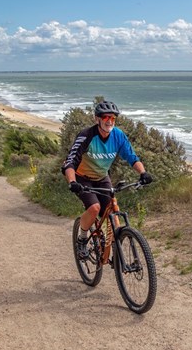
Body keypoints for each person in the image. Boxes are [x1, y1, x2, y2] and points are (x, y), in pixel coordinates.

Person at [61, 100, 153, 257]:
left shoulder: (118, 136)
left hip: (102, 177)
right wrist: (72, 182)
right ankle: (82, 239)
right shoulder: (86, 136)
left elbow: (132, 157)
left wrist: (143, 173)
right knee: (94, 208)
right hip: (82, 179)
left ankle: (116, 249)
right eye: (105, 118)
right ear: (97, 119)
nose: (109, 121)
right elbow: (70, 161)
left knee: (113, 212)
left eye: (113, 118)